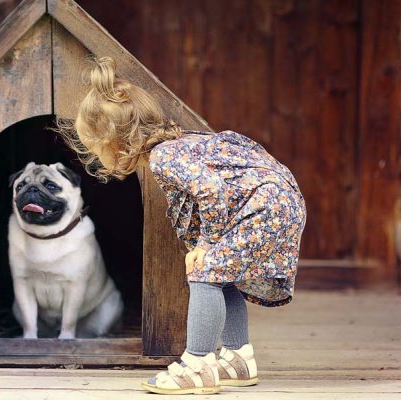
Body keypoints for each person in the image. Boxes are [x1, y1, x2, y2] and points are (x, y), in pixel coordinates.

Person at [57, 56, 306, 395]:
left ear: (116, 142)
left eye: (96, 148)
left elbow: (212, 190)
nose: (98, 156)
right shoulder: (181, 144)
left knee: (205, 271)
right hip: (280, 200)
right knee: (223, 274)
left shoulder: (164, 157)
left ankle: (196, 365)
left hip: (266, 207)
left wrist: (205, 244)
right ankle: (237, 358)